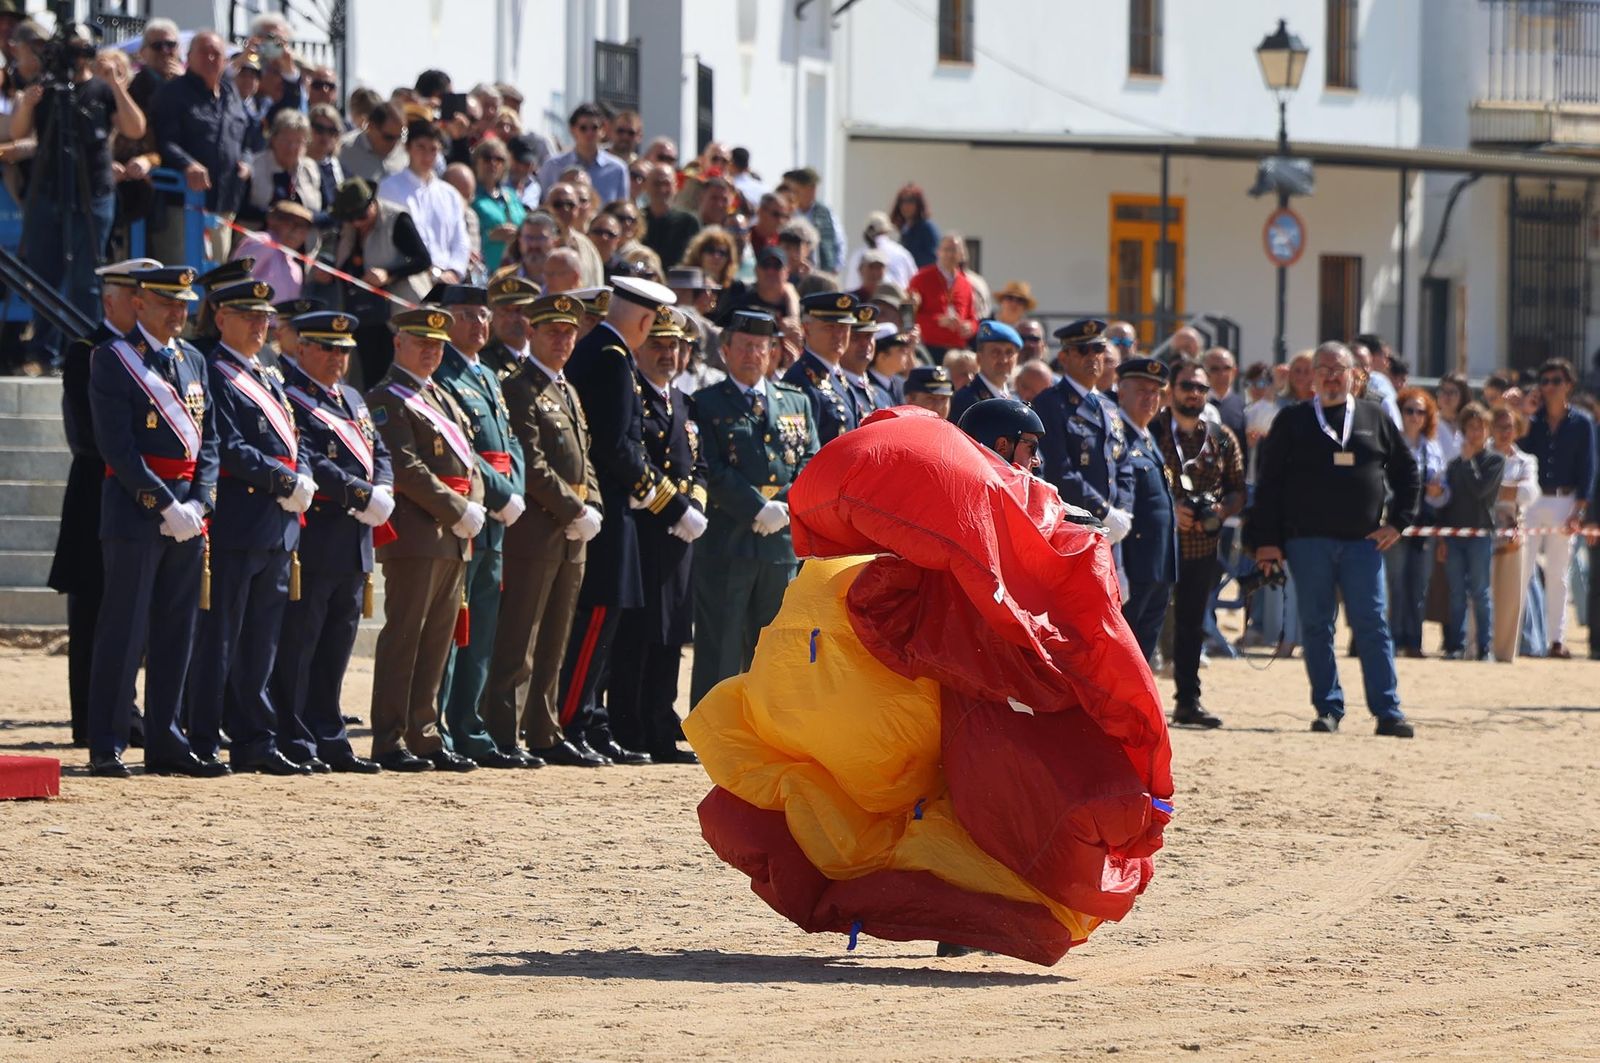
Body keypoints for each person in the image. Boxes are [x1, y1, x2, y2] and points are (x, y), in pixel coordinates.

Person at [85, 266, 220, 777]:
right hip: (137, 512)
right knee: (123, 630)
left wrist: (200, 504)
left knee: (176, 632)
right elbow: (117, 447)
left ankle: (166, 739)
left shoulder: (193, 361)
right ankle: (109, 741)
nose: (178, 312)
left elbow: (212, 443)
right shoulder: (113, 360)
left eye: (184, 303)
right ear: (140, 303)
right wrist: (164, 504)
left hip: (188, 516)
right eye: (167, 302)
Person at [1251, 342, 1420, 738]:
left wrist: (1398, 522)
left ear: (1353, 375)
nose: (1329, 375)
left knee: (1372, 626)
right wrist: (1266, 540)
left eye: (1337, 368)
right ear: (1311, 377)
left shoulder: (1374, 416)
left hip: (1364, 544)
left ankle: (1388, 711)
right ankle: (1328, 708)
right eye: (1322, 368)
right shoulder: (1292, 420)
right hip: (1307, 543)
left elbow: (1407, 473)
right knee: (1316, 626)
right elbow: (1269, 484)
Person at [184, 279, 317, 775]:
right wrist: (281, 478)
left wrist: (301, 473)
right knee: (220, 638)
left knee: (262, 640)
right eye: (249, 317)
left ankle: (255, 738)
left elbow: (292, 434)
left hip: (279, 524)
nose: (261, 326)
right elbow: (226, 444)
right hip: (239, 520)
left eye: (265, 318)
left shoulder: (270, 373)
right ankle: (202, 736)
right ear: (222, 319)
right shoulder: (212, 371)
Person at [557, 276, 684, 767]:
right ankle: (574, 719)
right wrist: (664, 499)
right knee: (596, 619)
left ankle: (587, 718)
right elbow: (616, 446)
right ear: (645, 320)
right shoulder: (609, 359)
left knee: (608, 619)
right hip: (610, 507)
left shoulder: (611, 355)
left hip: (619, 509)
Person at [364, 307, 486, 772]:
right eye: (422, 343)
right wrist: (458, 511)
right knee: (406, 637)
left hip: (454, 534)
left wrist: (471, 506)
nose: (431, 352)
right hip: (417, 532)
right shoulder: (387, 398)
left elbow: (469, 460)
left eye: (437, 345)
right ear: (399, 343)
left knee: (437, 639)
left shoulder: (441, 396)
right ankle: (390, 737)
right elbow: (406, 468)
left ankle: (425, 732)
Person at [481, 290, 600, 767]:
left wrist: (592, 505)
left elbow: (584, 458)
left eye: (569, 332)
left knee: (555, 638)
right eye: (552, 331)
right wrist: (574, 509)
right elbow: (531, 462)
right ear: (532, 332)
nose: (562, 340)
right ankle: (504, 731)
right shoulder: (520, 386)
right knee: (521, 636)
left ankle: (543, 729)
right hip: (538, 527)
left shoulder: (566, 389)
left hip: (572, 529)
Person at [274, 310, 390, 774]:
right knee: (302, 641)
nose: (337, 358)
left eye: (343, 350)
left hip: (355, 537)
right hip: (318, 533)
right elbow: (313, 461)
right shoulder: (292, 397)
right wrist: (360, 493)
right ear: (302, 348)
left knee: (338, 642)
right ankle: (296, 735)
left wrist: (382, 487)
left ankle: (331, 734)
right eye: (327, 348)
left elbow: (378, 450)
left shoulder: (354, 398)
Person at [51, 258, 157, 748]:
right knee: (93, 608)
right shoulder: (87, 352)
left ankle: (128, 712)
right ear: (112, 300)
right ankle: (90, 716)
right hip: (98, 492)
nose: (141, 306)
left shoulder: (152, 353)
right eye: (133, 297)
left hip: (147, 490)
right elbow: (87, 433)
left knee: (139, 611)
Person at [690, 310, 819, 704]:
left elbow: (810, 461)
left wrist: (781, 505)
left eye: (761, 347)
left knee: (773, 646)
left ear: (774, 352)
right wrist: (755, 508)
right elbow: (707, 465)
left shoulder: (794, 401)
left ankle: (765, 730)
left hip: (779, 544)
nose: (752, 354)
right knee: (721, 643)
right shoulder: (706, 403)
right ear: (725, 350)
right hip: (729, 539)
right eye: (744, 346)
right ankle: (714, 729)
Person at [430, 284, 528, 769]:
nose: (479, 325)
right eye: (467, 315)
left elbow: (510, 442)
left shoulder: (487, 374)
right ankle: (440, 727)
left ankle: (470, 725)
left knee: (483, 630)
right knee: (455, 629)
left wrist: (519, 490)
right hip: (468, 510)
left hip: (497, 520)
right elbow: (460, 447)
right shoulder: (442, 374)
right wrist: (503, 493)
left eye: (483, 315)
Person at [606, 308, 707, 763]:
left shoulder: (684, 403)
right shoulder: (636, 397)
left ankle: (662, 725)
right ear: (640, 348)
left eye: (676, 347)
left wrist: (697, 506)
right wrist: (675, 508)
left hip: (681, 536)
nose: (668, 355)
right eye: (659, 346)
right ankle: (630, 727)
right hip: (647, 528)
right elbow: (637, 461)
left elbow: (698, 465)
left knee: (671, 635)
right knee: (638, 636)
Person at [12, 28, 145, 367]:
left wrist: (116, 83)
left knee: (88, 276)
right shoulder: (47, 89)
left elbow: (135, 129)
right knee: (46, 275)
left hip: (94, 192)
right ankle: (45, 349)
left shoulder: (101, 90)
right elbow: (18, 132)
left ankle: (86, 347)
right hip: (49, 192)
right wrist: (28, 103)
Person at [1154, 360, 1244, 728]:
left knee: (1192, 625)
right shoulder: (1151, 428)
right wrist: (1170, 507)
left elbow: (1239, 488)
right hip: (1156, 543)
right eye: (1187, 386)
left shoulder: (1221, 436)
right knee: (1144, 620)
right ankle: (1133, 704)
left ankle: (1188, 702)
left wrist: (1221, 511)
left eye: (1200, 388)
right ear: (1171, 390)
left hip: (1202, 548)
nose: (1194, 393)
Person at [1517, 358, 1595, 659]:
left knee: (1559, 573)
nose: (1549, 387)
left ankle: (1556, 639)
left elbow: (1589, 468)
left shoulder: (1583, 422)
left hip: (1565, 500)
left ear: (1569, 385)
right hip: (1534, 500)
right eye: (1545, 381)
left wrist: (1580, 509)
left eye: (1556, 381)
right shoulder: (1532, 422)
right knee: (1523, 569)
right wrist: (1525, 410)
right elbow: (1515, 446)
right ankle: (1522, 636)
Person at [151, 32, 250, 263]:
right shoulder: (172, 93)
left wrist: (246, 161)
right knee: (183, 280)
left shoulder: (231, 94)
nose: (211, 58)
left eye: (216, 54)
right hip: (183, 206)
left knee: (215, 280)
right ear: (189, 56)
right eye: (204, 52)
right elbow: (163, 140)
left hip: (224, 206)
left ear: (225, 60)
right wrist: (187, 164)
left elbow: (249, 138)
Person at [326, 177, 434, 385]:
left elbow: (423, 260)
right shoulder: (349, 230)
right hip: (367, 315)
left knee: (402, 372)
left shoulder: (397, 219)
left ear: (373, 203)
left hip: (398, 311)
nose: (358, 222)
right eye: (352, 218)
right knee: (371, 377)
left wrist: (389, 274)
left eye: (362, 215)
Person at [1034, 319, 1133, 541]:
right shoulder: (1051, 403)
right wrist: (1104, 512)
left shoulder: (1108, 405)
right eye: (1082, 350)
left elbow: (1123, 463)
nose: (1092, 357)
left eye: (1097, 349)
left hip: (1113, 531)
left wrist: (1123, 510)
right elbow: (1058, 469)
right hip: (1074, 527)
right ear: (1064, 357)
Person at [1114, 358, 1178, 665]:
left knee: (1144, 651)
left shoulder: (1148, 437)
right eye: (1141, 390)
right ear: (1121, 392)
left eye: (1155, 392)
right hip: (1133, 562)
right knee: (1126, 649)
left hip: (1159, 561)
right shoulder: (1118, 437)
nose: (1149, 398)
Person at [1437, 403, 1505, 661]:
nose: (1475, 433)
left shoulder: (1495, 461)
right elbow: (1447, 503)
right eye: (1470, 428)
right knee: (1456, 592)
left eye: (1480, 428)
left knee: (1480, 592)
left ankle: (1484, 647)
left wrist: (1467, 463)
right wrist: (1443, 536)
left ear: (1487, 431)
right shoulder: (1454, 464)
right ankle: (1456, 645)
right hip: (1454, 536)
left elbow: (1480, 491)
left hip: (1480, 535)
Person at [1389, 387, 1449, 658]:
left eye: (1420, 411)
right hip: (1394, 523)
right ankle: (1392, 639)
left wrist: (1438, 492)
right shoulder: (1391, 444)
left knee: (1419, 585)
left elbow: (1442, 491)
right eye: (1409, 410)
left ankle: (1414, 641)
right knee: (1395, 584)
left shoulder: (1433, 448)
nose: (1414, 416)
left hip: (1424, 524)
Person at [377, 120, 470, 285]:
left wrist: (454, 271)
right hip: (406, 280)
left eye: (433, 149)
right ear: (408, 148)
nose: (427, 156)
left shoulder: (450, 195)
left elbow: (460, 239)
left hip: (446, 281)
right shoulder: (387, 188)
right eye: (421, 147)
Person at [1487, 406, 1540, 663]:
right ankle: (1478, 647)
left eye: (1509, 426)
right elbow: (1478, 490)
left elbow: (1530, 494)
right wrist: (1510, 490)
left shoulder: (1526, 460)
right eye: (1499, 426)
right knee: (1480, 594)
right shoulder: (1482, 454)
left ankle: (1505, 652)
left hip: (1513, 533)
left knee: (1511, 597)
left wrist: (1497, 490)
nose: (1504, 432)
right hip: (1482, 530)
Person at [781, 291, 861, 444]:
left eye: (844, 327)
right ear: (807, 329)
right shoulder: (799, 380)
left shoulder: (838, 375)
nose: (838, 335)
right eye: (830, 327)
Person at [239, 108, 321, 226]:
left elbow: (325, 212)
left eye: (298, 141)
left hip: (304, 242)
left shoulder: (311, 168)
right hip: (260, 239)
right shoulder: (254, 165)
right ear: (273, 139)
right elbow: (241, 209)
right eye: (286, 140)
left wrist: (304, 217)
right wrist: (273, 215)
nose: (292, 147)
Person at [537, 102, 628, 205]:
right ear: (573, 130)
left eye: (594, 128)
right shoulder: (552, 166)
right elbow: (544, 205)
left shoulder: (617, 169)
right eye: (583, 128)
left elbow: (621, 208)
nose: (589, 133)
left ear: (603, 130)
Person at [908, 234, 978, 357]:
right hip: (928, 349)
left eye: (954, 250)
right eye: (946, 250)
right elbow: (906, 315)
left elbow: (972, 317)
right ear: (938, 252)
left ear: (961, 255)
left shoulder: (966, 283)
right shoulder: (921, 278)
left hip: (957, 350)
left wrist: (970, 327)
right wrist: (938, 321)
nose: (950, 254)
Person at [949, 319, 1020, 423]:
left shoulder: (1015, 398)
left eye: (1009, 352)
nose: (1004, 360)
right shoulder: (966, 399)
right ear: (979, 358)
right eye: (996, 352)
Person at [780, 167, 843, 273]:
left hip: (821, 269)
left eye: (813, 187)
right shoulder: (788, 211)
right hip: (792, 271)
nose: (812, 191)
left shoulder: (825, 211)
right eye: (807, 187)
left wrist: (836, 266)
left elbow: (838, 240)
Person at [642, 162, 700, 274]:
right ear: (646, 186)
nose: (662, 189)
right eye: (656, 184)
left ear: (676, 186)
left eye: (666, 183)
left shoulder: (688, 222)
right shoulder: (637, 219)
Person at [339, 101, 406, 184]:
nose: (395, 144)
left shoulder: (405, 152)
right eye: (389, 137)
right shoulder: (344, 150)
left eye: (399, 137)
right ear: (371, 126)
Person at [890, 182, 940, 268]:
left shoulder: (927, 227)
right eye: (902, 201)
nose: (905, 206)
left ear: (919, 204)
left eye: (910, 201)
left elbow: (934, 258)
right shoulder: (905, 230)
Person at [1203, 347, 1246, 442]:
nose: (1222, 374)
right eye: (1215, 369)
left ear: (1234, 371)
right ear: (1205, 372)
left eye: (1227, 368)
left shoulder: (1242, 406)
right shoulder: (1198, 403)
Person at [1434, 372, 1469, 461]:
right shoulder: (1430, 421)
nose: (1446, 396)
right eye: (1443, 391)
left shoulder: (1468, 424)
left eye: (1452, 392)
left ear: (1462, 397)